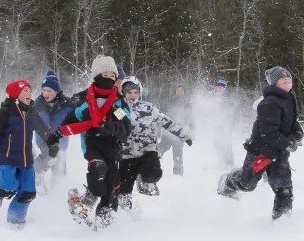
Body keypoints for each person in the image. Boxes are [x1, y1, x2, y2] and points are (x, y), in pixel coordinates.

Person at [46, 55, 131, 230]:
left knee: (111, 192)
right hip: (93, 145)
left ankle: (102, 228)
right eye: (105, 75)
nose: (109, 79)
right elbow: (70, 120)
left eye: (112, 75)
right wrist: (55, 136)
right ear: (96, 75)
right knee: (98, 171)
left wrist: (113, 127)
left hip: (113, 148)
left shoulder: (118, 103)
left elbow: (126, 128)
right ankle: (81, 203)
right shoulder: (84, 99)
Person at [217, 66, 303, 220]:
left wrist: (297, 132)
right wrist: (287, 143)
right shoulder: (269, 103)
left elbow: (290, 121)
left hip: (279, 154)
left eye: (289, 81)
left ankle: (282, 223)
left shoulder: (289, 98)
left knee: (284, 188)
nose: (287, 84)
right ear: (275, 83)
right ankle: (228, 181)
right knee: (247, 183)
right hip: (262, 153)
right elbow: (268, 132)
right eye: (284, 81)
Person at [0, 80, 58, 226]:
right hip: (8, 159)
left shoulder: (31, 112)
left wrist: (52, 142)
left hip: (27, 161)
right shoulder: (5, 112)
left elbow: (43, 129)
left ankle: (15, 221)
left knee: (28, 193)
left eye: (30, 91)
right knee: (7, 189)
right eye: (25, 90)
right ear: (15, 94)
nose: (29, 93)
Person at [118, 76, 192, 209]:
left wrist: (183, 134)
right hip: (128, 152)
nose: (132, 95)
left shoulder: (148, 108)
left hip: (148, 149)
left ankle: (146, 179)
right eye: (129, 92)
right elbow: (113, 126)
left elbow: (166, 121)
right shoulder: (119, 110)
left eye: (135, 92)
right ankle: (125, 213)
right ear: (123, 93)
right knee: (124, 187)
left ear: (140, 93)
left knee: (154, 172)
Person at [33, 71, 74, 189]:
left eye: (49, 90)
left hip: (62, 141)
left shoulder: (67, 103)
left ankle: (55, 190)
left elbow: (78, 114)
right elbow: (29, 119)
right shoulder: (38, 104)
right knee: (50, 157)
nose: (45, 93)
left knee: (60, 168)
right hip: (43, 139)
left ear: (56, 91)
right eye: (44, 90)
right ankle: (38, 173)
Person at [158, 83, 193, 175]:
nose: (179, 92)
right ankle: (150, 164)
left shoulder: (187, 103)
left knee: (178, 151)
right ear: (174, 91)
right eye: (177, 90)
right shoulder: (168, 101)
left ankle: (178, 172)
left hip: (180, 130)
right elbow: (161, 113)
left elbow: (190, 116)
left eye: (181, 90)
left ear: (184, 92)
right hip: (168, 129)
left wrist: (188, 127)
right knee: (162, 147)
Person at [211, 77, 235, 169]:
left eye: (222, 86)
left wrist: (229, 123)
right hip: (216, 126)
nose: (220, 88)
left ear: (225, 88)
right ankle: (221, 162)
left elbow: (232, 112)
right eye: (219, 86)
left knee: (227, 144)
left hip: (226, 125)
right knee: (218, 144)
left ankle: (230, 164)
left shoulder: (228, 98)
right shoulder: (212, 97)